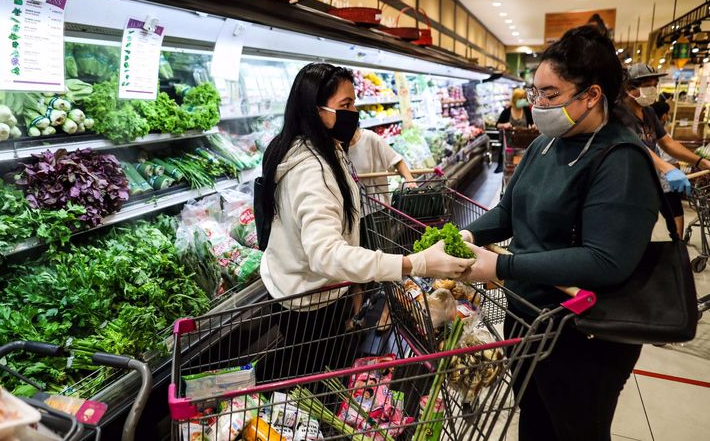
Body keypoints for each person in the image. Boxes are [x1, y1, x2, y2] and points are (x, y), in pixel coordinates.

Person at [458, 26, 661, 441]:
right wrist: (464, 238)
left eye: (550, 95)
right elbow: (508, 213)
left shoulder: (621, 160)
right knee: (534, 424)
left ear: (591, 95)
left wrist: (502, 264)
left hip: (582, 337)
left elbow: (605, 260)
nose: (538, 105)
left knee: (574, 429)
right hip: (527, 320)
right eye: (535, 93)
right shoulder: (544, 146)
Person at [257, 62, 474, 377]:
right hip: (311, 303)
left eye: (354, 102)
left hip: (292, 288)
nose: (354, 112)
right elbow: (326, 254)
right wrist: (415, 263)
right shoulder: (312, 169)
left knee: (317, 374)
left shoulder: (301, 147)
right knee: (323, 376)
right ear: (315, 111)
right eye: (345, 105)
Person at [623, 63, 710, 235]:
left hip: (647, 185)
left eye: (654, 85)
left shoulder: (648, 112)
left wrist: (700, 161)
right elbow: (635, 146)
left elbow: (668, 143)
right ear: (629, 88)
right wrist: (667, 168)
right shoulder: (618, 113)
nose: (653, 90)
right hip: (626, 186)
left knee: (644, 231)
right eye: (647, 86)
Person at [494, 88, 534, 172]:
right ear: (515, 99)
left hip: (523, 145)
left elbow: (532, 123)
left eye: (524, 98)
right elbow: (497, 125)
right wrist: (504, 125)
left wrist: (534, 126)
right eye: (521, 99)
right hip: (509, 147)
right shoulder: (507, 111)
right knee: (509, 168)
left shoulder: (526, 110)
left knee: (522, 168)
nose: (524, 101)